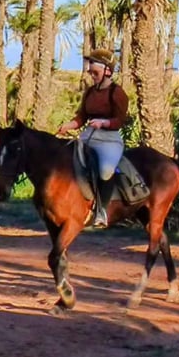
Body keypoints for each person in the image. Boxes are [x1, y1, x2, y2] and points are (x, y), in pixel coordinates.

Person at [59, 48, 130, 226]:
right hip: (88, 135)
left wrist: (104, 123)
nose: (92, 75)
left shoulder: (118, 93)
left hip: (110, 139)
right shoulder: (90, 92)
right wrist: (69, 125)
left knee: (106, 171)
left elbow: (120, 120)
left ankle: (102, 211)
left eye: (95, 72)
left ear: (107, 71)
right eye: (90, 72)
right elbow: (82, 117)